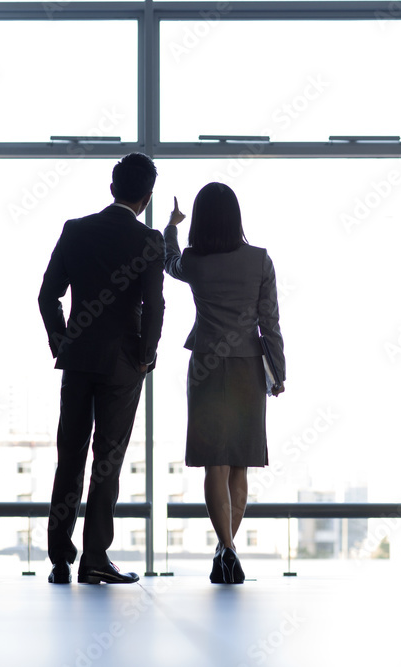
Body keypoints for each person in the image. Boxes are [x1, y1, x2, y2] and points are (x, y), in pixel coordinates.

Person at [38, 153, 165, 585]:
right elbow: (154, 306)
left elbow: (47, 297)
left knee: (68, 456)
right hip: (123, 364)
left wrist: (63, 343)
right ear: (146, 198)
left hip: (78, 360)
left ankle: (59, 558)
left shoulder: (75, 230)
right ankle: (94, 559)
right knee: (107, 460)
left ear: (112, 189)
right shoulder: (149, 241)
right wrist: (147, 355)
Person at [163, 182, 285, 584]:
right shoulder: (260, 261)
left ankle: (226, 549)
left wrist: (172, 227)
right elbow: (270, 323)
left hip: (208, 367)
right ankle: (228, 549)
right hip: (250, 366)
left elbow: (169, 261)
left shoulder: (196, 262)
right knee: (239, 463)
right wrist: (278, 371)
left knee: (214, 463)